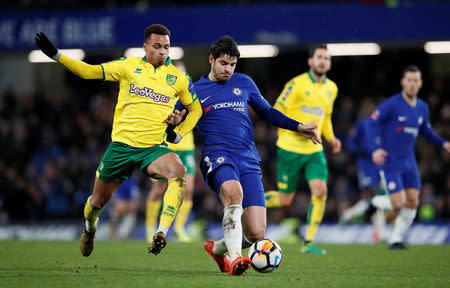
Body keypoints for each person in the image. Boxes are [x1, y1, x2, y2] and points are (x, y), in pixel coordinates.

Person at [34, 24, 202, 257]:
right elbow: (87, 71)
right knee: (96, 204)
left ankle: (161, 232)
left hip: (153, 148)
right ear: (145, 47)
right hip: (121, 148)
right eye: (157, 46)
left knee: (179, 171)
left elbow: (196, 110)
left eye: (166, 47)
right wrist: (57, 55)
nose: (163, 52)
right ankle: (90, 227)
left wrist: (178, 133)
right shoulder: (128, 66)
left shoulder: (179, 78)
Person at [168, 36, 320, 275]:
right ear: (211, 59)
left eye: (232, 65)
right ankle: (236, 258)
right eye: (223, 63)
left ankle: (217, 249)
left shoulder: (244, 82)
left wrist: (298, 126)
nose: (228, 69)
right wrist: (173, 125)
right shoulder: (194, 90)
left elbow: (268, 113)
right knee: (233, 193)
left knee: (256, 233)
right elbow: (173, 129)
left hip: (248, 158)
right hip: (217, 155)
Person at [264, 44, 341, 255]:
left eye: (326, 58)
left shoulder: (331, 88)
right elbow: (276, 110)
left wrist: (331, 138)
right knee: (284, 199)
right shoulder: (296, 85)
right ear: (311, 61)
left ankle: (308, 242)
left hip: (314, 150)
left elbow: (325, 118)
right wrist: (297, 128)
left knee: (321, 191)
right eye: (319, 57)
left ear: (329, 63)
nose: (323, 61)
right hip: (289, 148)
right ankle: (250, 202)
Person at [366, 65, 450, 249]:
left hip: (409, 162)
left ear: (420, 84)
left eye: (415, 80)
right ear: (403, 82)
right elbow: (371, 123)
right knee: (399, 203)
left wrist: (443, 142)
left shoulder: (422, 107)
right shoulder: (392, 104)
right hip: (390, 162)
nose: (412, 84)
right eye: (409, 80)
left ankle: (395, 239)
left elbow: (426, 131)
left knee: (413, 201)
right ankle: (371, 202)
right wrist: (374, 149)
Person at [146, 61, 197, 243]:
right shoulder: (162, 91)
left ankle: (179, 228)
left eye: (184, 74)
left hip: (186, 146)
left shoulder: (190, 92)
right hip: (166, 145)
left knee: (188, 189)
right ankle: (150, 227)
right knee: (159, 189)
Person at [340, 115, 387, 242]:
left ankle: (347, 215)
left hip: (378, 165)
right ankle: (379, 234)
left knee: (375, 199)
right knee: (373, 196)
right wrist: (361, 151)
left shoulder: (381, 125)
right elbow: (350, 141)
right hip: (365, 164)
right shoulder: (362, 124)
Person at [108, 175, 139, 239]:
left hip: (126, 204)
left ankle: (123, 235)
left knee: (132, 212)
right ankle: (111, 229)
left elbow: (135, 195)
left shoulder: (131, 178)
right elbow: (111, 194)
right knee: (117, 211)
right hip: (114, 205)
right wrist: (117, 202)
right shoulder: (115, 176)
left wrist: (130, 204)